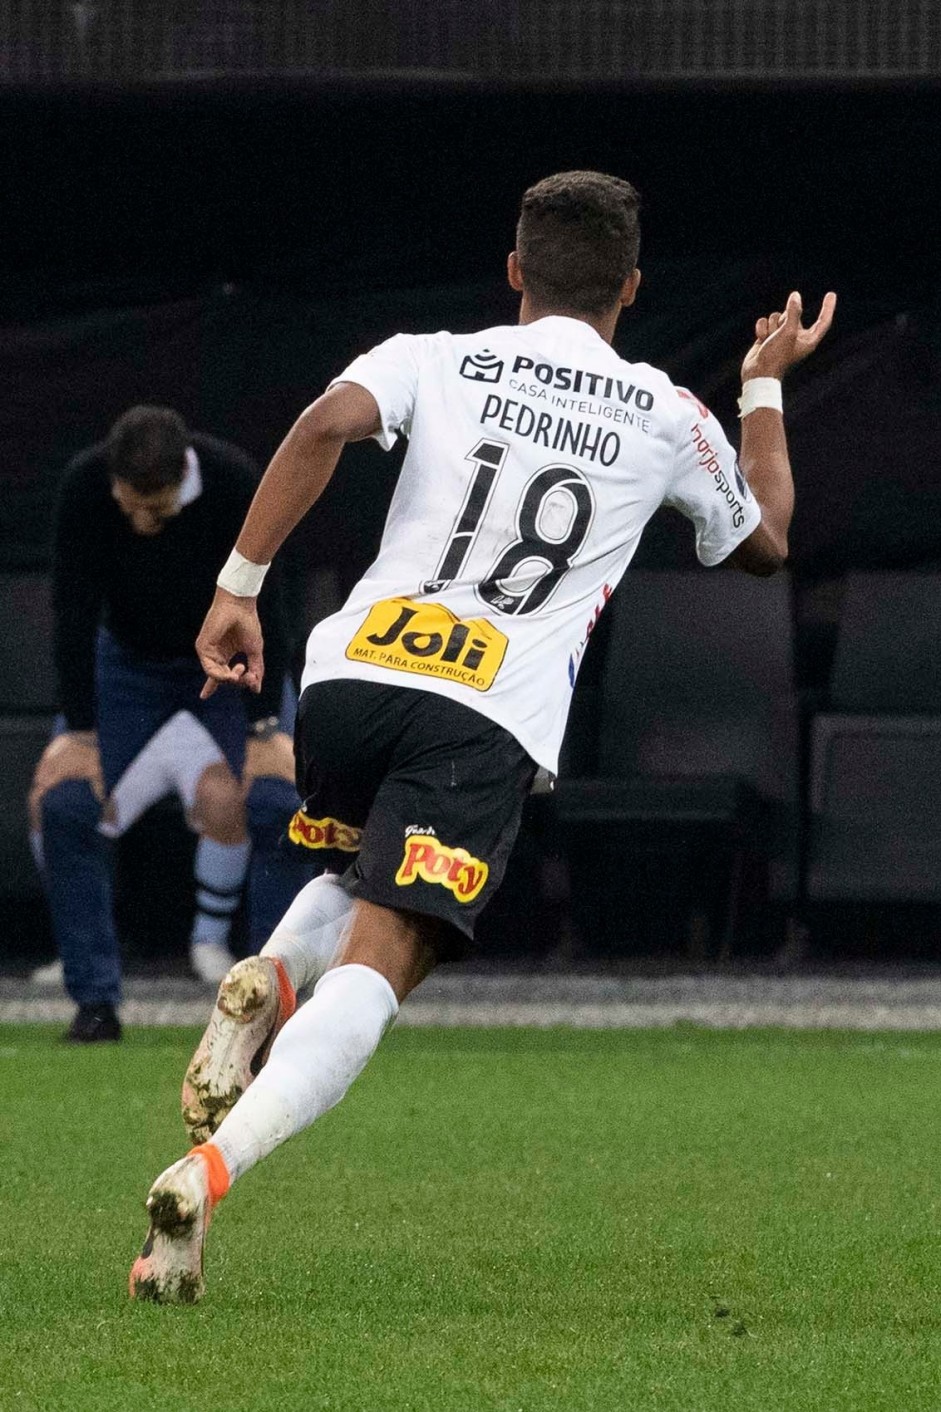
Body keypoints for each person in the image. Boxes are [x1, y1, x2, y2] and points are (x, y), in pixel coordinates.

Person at [129, 171, 836, 1301]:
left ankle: (265, 969)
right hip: (484, 708)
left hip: (352, 675)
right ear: (632, 288)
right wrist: (759, 388)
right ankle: (208, 1171)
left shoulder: (432, 353)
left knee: (354, 873)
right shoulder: (662, 411)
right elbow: (766, 539)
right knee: (385, 956)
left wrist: (236, 587)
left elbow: (321, 425)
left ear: (514, 270)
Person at [30, 405, 311, 1043]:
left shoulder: (234, 479)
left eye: (150, 510)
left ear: (182, 481)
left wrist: (267, 724)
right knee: (68, 803)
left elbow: (278, 595)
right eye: (125, 504)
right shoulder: (85, 483)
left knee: (276, 803)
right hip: (125, 665)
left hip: (230, 658)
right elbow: (72, 606)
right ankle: (95, 1002)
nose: (135, 522)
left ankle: (271, 1011)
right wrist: (79, 731)